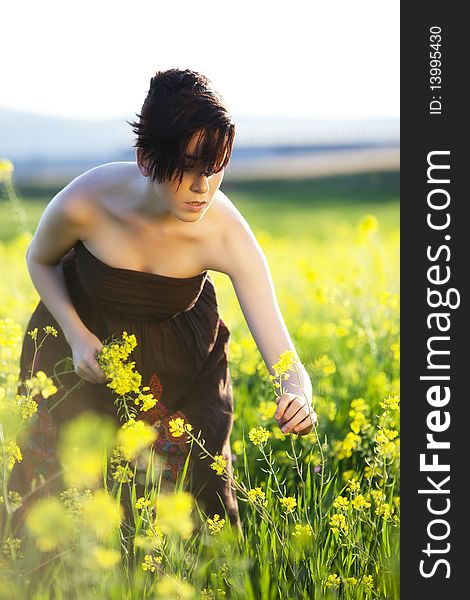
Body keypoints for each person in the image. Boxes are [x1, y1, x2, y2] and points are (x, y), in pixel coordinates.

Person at [8, 68, 317, 537]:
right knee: (61, 499)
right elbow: (39, 259)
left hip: (180, 369)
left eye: (215, 167)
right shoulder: (88, 201)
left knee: (193, 507)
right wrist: (76, 335)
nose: (203, 187)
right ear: (146, 160)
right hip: (77, 356)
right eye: (188, 167)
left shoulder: (226, 232)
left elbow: (283, 352)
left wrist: (297, 394)